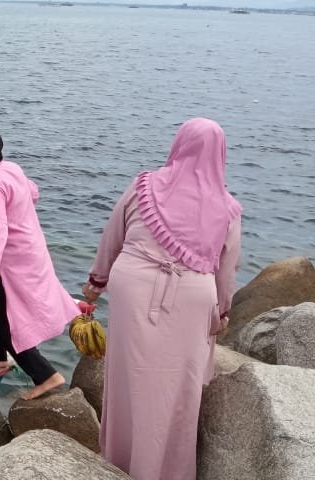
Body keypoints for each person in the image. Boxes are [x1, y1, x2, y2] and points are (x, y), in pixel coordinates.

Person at [82, 118, 242, 480]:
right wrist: (222, 313)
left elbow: (113, 234)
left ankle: (119, 462)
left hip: (132, 286)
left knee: (128, 379)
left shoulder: (143, 186)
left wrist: (96, 281)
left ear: (179, 144)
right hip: (193, 298)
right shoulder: (227, 208)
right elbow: (226, 270)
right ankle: (167, 471)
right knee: (180, 388)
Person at [0, 128, 78, 400]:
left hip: (12, 259)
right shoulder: (9, 168)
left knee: (5, 318)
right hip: (29, 248)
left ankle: (46, 375)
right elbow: (32, 192)